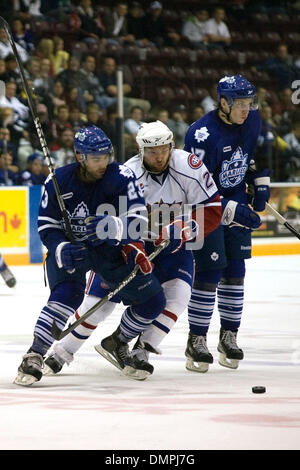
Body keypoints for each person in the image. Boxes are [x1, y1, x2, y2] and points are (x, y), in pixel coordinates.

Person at [43, 120, 222, 380]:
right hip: (129, 245)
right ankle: (61, 352)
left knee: (179, 296)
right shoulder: (127, 173)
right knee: (99, 304)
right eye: (151, 151)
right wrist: (133, 248)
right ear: (140, 150)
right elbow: (116, 222)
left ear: (172, 146)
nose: (159, 156)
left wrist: (184, 229)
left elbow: (212, 209)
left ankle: (136, 349)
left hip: (174, 244)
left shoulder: (189, 166)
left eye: (163, 149)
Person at [14, 125, 168, 386]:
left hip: (111, 252)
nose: (103, 163)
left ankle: (118, 340)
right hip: (73, 251)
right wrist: (61, 248)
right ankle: (35, 353)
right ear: (79, 156)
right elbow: (46, 224)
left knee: (153, 301)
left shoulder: (122, 176)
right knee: (67, 296)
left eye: (106, 156)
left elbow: (138, 217)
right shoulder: (58, 180)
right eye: (96, 158)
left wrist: (114, 228)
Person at [183, 75, 270, 371]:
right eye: (241, 103)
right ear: (223, 102)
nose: (247, 109)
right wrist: (231, 208)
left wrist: (260, 181)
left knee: (236, 270)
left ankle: (228, 337)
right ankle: (196, 340)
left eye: (250, 102)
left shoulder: (252, 121)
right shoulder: (201, 135)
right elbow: (195, 189)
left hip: (234, 199)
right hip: (206, 209)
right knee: (210, 271)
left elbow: (255, 154)